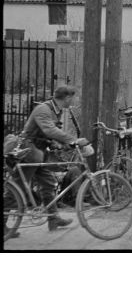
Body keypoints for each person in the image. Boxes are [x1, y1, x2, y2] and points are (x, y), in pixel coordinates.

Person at [20, 85, 89, 232]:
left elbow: (47, 134)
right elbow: (49, 130)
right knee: (19, 185)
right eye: (73, 98)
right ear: (67, 98)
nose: (74, 100)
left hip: (38, 150)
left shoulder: (55, 110)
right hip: (29, 149)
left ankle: (53, 219)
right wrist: (72, 140)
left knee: (48, 183)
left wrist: (60, 144)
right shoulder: (43, 109)